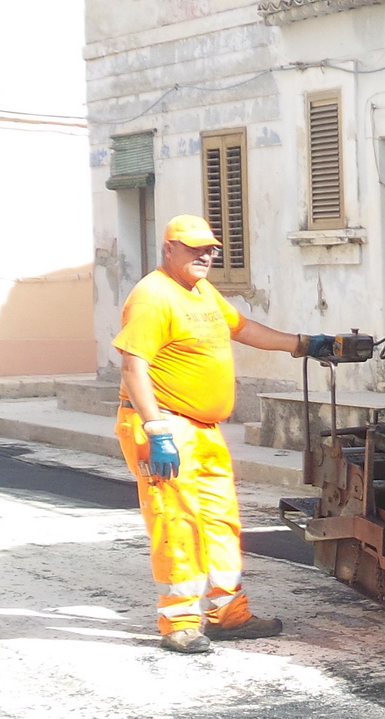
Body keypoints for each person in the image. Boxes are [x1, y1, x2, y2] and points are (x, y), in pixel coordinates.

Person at [113, 215, 338, 654]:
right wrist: (156, 430)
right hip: (166, 426)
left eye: (210, 249)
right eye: (194, 248)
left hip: (204, 428)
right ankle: (178, 622)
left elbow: (245, 329)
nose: (205, 256)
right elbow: (132, 364)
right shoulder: (152, 297)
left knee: (220, 521)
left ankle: (227, 614)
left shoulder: (202, 292)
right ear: (169, 248)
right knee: (176, 522)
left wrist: (303, 344)